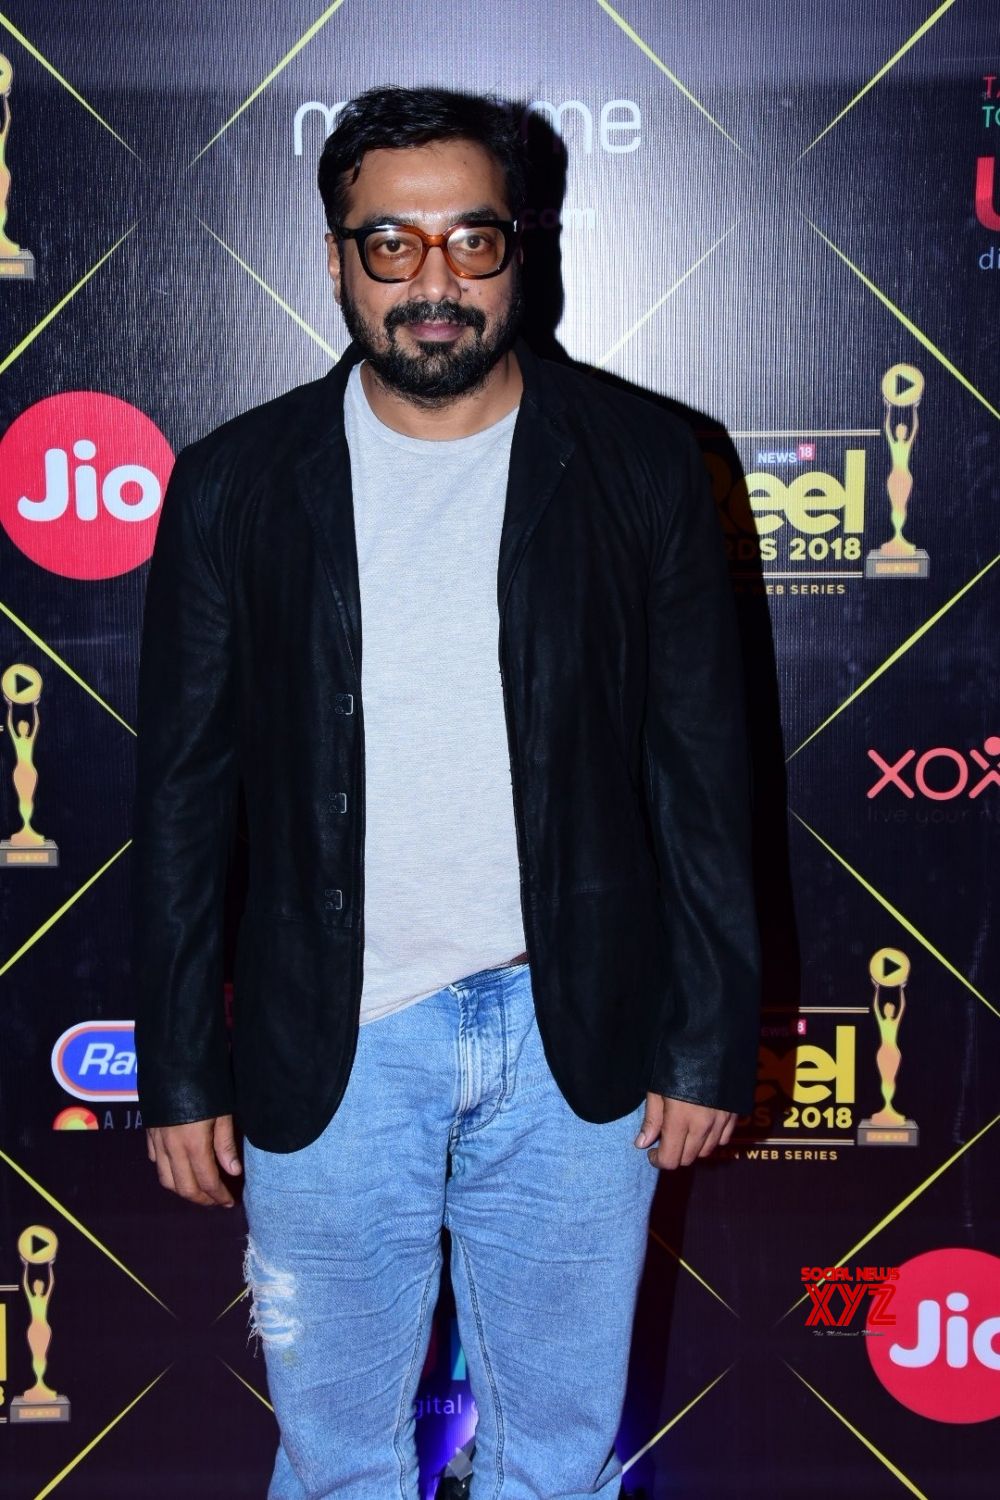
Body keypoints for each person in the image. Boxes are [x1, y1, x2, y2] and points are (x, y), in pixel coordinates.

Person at [133, 85, 761, 1500]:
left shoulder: (643, 463)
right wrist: (178, 1068)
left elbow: (703, 777)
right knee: (335, 1460)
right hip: (331, 1044)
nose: (435, 282)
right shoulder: (235, 484)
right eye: (392, 244)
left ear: (518, 250)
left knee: (559, 1459)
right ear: (338, 258)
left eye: (472, 242)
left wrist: (706, 1038)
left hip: (575, 1042)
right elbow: (180, 801)